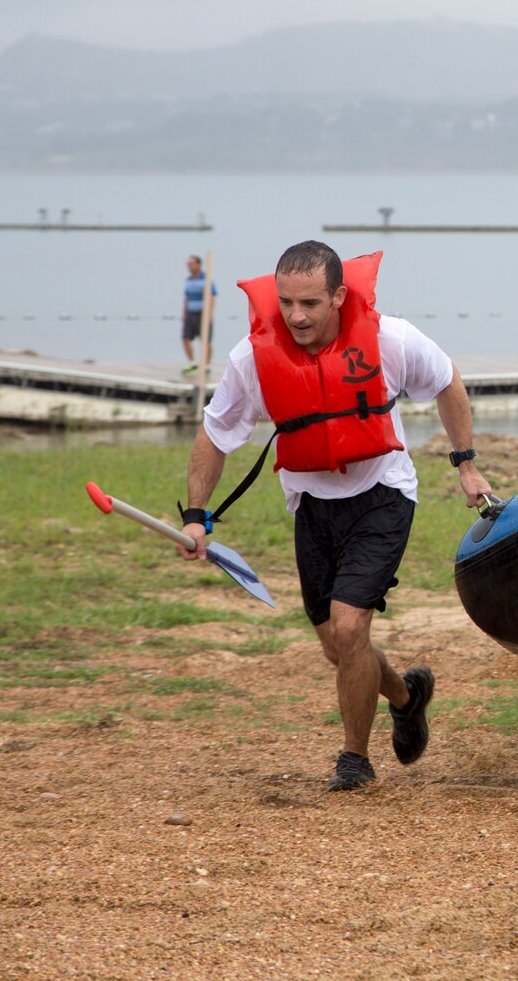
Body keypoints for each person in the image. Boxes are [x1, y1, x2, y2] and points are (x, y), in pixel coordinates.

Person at [177, 241, 493, 791]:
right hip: (311, 505)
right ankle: (406, 694)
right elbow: (215, 432)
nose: (296, 316)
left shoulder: (391, 339)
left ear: (340, 296)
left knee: (350, 628)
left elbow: (447, 381)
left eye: (311, 304)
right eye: (287, 303)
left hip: (382, 493)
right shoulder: (252, 357)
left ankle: (354, 760)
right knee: (336, 645)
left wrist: (466, 464)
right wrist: (197, 514)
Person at [181, 254, 217, 374]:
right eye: (188, 265)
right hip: (191, 312)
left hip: (203, 313)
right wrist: (184, 314)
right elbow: (186, 298)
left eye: (191, 264)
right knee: (185, 337)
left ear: (197, 265)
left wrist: (209, 314)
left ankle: (207, 365)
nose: (189, 267)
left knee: (205, 339)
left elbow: (212, 296)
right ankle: (192, 362)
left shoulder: (205, 279)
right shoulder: (188, 280)